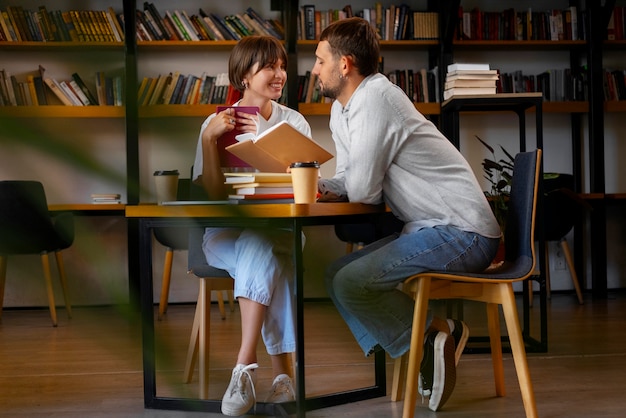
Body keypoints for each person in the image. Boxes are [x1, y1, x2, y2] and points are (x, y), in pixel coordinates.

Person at [312, 18, 502, 412]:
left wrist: (344, 186)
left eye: (319, 60)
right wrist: (320, 185)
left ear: (344, 65)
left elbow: (364, 190)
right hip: (429, 229)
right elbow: (350, 177)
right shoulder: (340, 111)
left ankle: (430, 342)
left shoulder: (377, 97)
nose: (314, 69)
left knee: (351, 284)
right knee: (336, 276)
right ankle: (435, 339)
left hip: (463, 230)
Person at [191, 35, 311, 416]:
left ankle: (243, 369)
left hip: (282, 231)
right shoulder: (214, 122)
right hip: (224, 234)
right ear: (244, 74)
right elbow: (210, 192)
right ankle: (282, 379)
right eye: (269, 67)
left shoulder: (293, 121)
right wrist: (211, 141)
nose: (279, 74)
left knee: (263, 245)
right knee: (267, 258)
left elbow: (305, 187)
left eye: (281, 66)